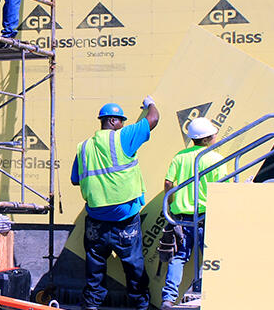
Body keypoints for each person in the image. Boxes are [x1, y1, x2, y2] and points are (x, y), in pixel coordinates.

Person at [71, 97, 160, 310]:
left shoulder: (83, 148)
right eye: (121, 120)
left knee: (94, 268)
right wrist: (151, 103)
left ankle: (91, 305)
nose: (123, 124)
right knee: (133, 265)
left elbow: (75, 179)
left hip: (96, 221)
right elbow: (154, 118)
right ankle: (140, 305)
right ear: (112, 121)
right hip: (125, 220)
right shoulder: (123, 137)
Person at [160, 118, 227, 309]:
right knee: (211, 257)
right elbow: (223, 189)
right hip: (206, 217)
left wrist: (171, 204)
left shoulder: (180, 157)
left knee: (178, 257)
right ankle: (214, 296)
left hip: (180, 217)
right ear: (206, 139)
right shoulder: (216, 159)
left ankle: (168, 298)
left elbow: (168, 183)